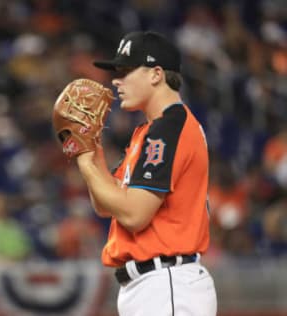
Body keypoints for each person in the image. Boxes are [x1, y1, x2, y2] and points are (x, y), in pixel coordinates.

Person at [75, 31, 217, 315]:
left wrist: (85, 162)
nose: (116, 80)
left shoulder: (169, 128)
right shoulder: (148, 132)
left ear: (156, 74)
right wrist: (90, 148)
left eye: (126, 71)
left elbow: (134, 215)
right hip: (153, 286)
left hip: (167, 284)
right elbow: (105, 204)